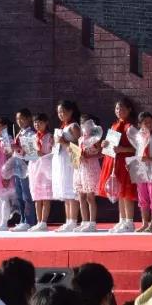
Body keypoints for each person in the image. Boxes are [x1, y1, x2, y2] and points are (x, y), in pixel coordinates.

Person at [98, 98, 140, 233]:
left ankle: (129, 222)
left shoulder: (130, 128)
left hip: (126, 163)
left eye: (122, 108)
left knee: (127, 193)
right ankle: (122, 220)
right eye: (117, 108)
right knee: (119, 192)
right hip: (115, 162)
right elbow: (110, 146)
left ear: (129, 109)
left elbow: (140, 147)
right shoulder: (114, 125)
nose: (119, 111)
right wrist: (105, 144)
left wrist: (123, 149)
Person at [51, 100, 82, 232]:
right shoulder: (62, 127)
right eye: (59, 112)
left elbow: (80, 147)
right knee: (65, 191)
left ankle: (73, 221)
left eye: (63, 111)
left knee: (71, 191)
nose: (61, 114)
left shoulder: (74, 126)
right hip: (61, 161)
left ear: (70, 111)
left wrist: (64, 142)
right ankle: (68, 220)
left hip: (71, 162)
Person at [134, 111, 152, 234]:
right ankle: (144, 223)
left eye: (151, 122)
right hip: (141, 170)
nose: (149, 124)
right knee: (142, 197)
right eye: (145, 122)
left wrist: (150, 159)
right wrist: (132, 164)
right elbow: (137, 153)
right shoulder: (137, 137)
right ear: (140, 124)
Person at [74, 114, 103, 234]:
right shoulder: (80, 139)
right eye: (82, 124)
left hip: (91, 168)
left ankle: (92, 223)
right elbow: (77, 154)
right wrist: (76, 156)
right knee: (81, 196)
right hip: (81, 169)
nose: (84, 126)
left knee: (90, 197)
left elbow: (102, 153)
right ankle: (84, 222)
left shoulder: (96, 139)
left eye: (87, 124)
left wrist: (90, 156)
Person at [10, 109, 38, 231]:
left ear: (28, 119)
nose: (19, 121)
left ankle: (29, 220)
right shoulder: (19, 133)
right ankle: (22, 219)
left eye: (22, 118)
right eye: (17, 119)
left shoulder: (31, 134)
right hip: (17, 166)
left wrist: (18, 149)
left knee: (27, 195)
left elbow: (31, 154)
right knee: (19, 195)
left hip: (26, 166)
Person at [27, 113, 54, 232]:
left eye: (40, 122)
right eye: (35, 122)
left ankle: (44, 222)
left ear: (46, 123)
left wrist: (42, 154)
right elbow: (29, 155)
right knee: (37, 197)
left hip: (46, 169)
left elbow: (54, 153)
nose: (37, 124)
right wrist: (25, 152)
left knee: (46, 196)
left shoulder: (50, 137)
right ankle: (38, 222)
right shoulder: (32, 137)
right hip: (35, 168)